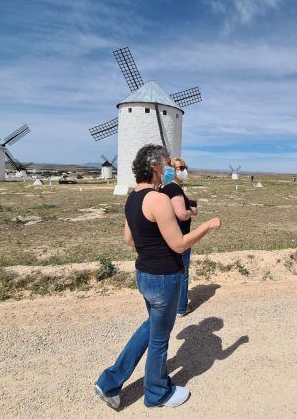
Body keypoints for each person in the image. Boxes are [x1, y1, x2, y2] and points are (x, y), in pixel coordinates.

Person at [94, 144, 221, 410]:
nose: (168, 171)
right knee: (160, 339)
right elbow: (179, 244)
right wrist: (208, 226)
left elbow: (129, 240)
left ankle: (109, 381)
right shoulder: (158, 199)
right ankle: (157, 393)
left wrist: (151, 242)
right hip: (165, 277)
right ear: (154, 167)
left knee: (151, 327)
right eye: (165, 165)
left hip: (144, 274)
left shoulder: (132, 198)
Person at [161, 157, 197, 317]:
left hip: (168, 236)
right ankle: (181, 307)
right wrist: (192, 212)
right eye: (181, 168)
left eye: (185, 167)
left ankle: (168, 303)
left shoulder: (164, 188)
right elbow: (181, 214)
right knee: (183, 271)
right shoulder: (175, 189)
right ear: (171, 171)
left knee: (172, 270)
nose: (184, 170)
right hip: (180, 237)